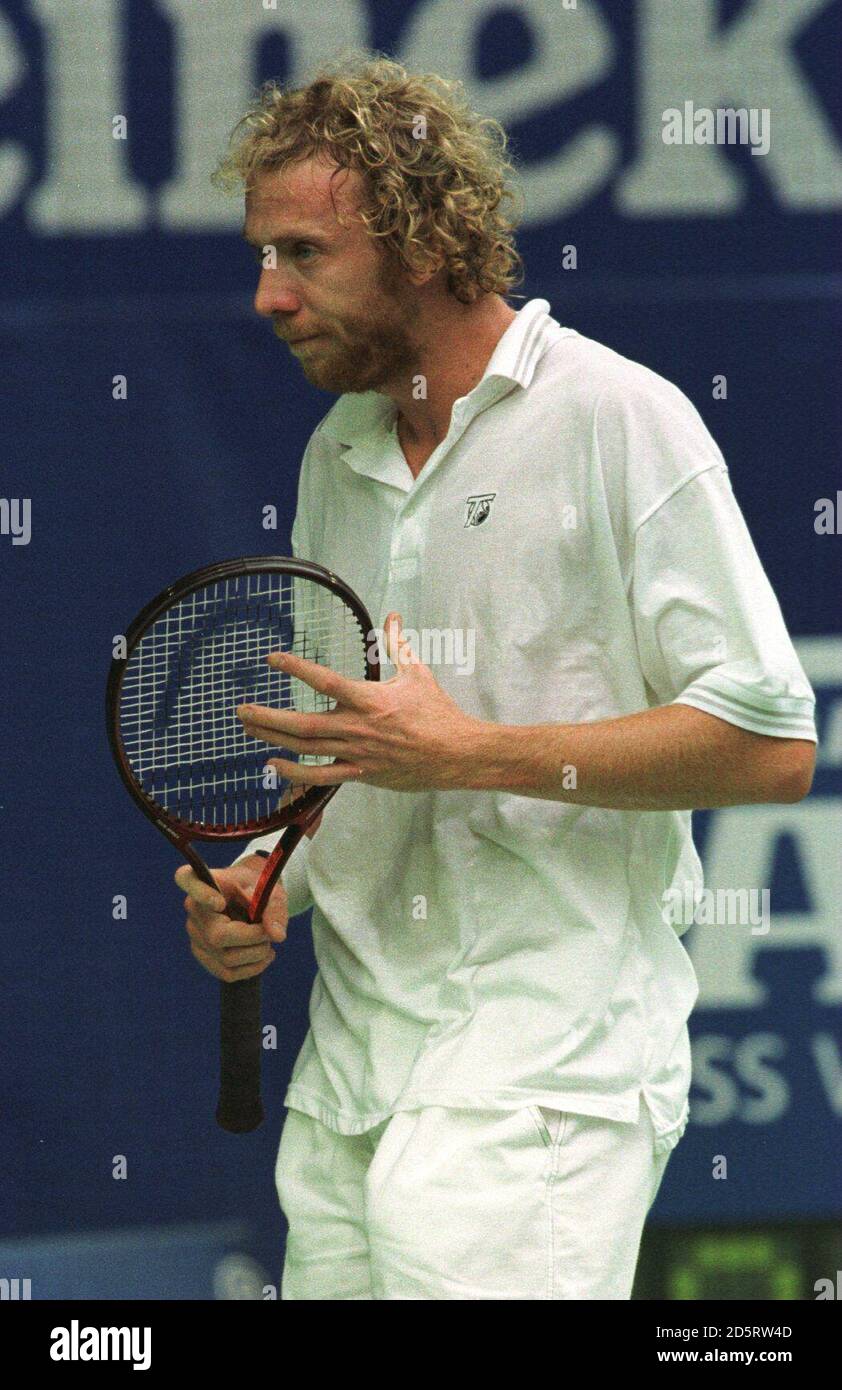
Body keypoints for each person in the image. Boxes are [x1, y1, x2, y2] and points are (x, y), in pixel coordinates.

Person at [175, 55, 817, 1300]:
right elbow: (352, 758)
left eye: (302, 254)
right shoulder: (338, 452)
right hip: (353, 1088)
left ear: (419, 242)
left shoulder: (618, 420)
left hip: (541, 1089)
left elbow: (768, 742)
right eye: (262, 255)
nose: (266, 294)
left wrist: (468, 752)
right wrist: (266, 882)